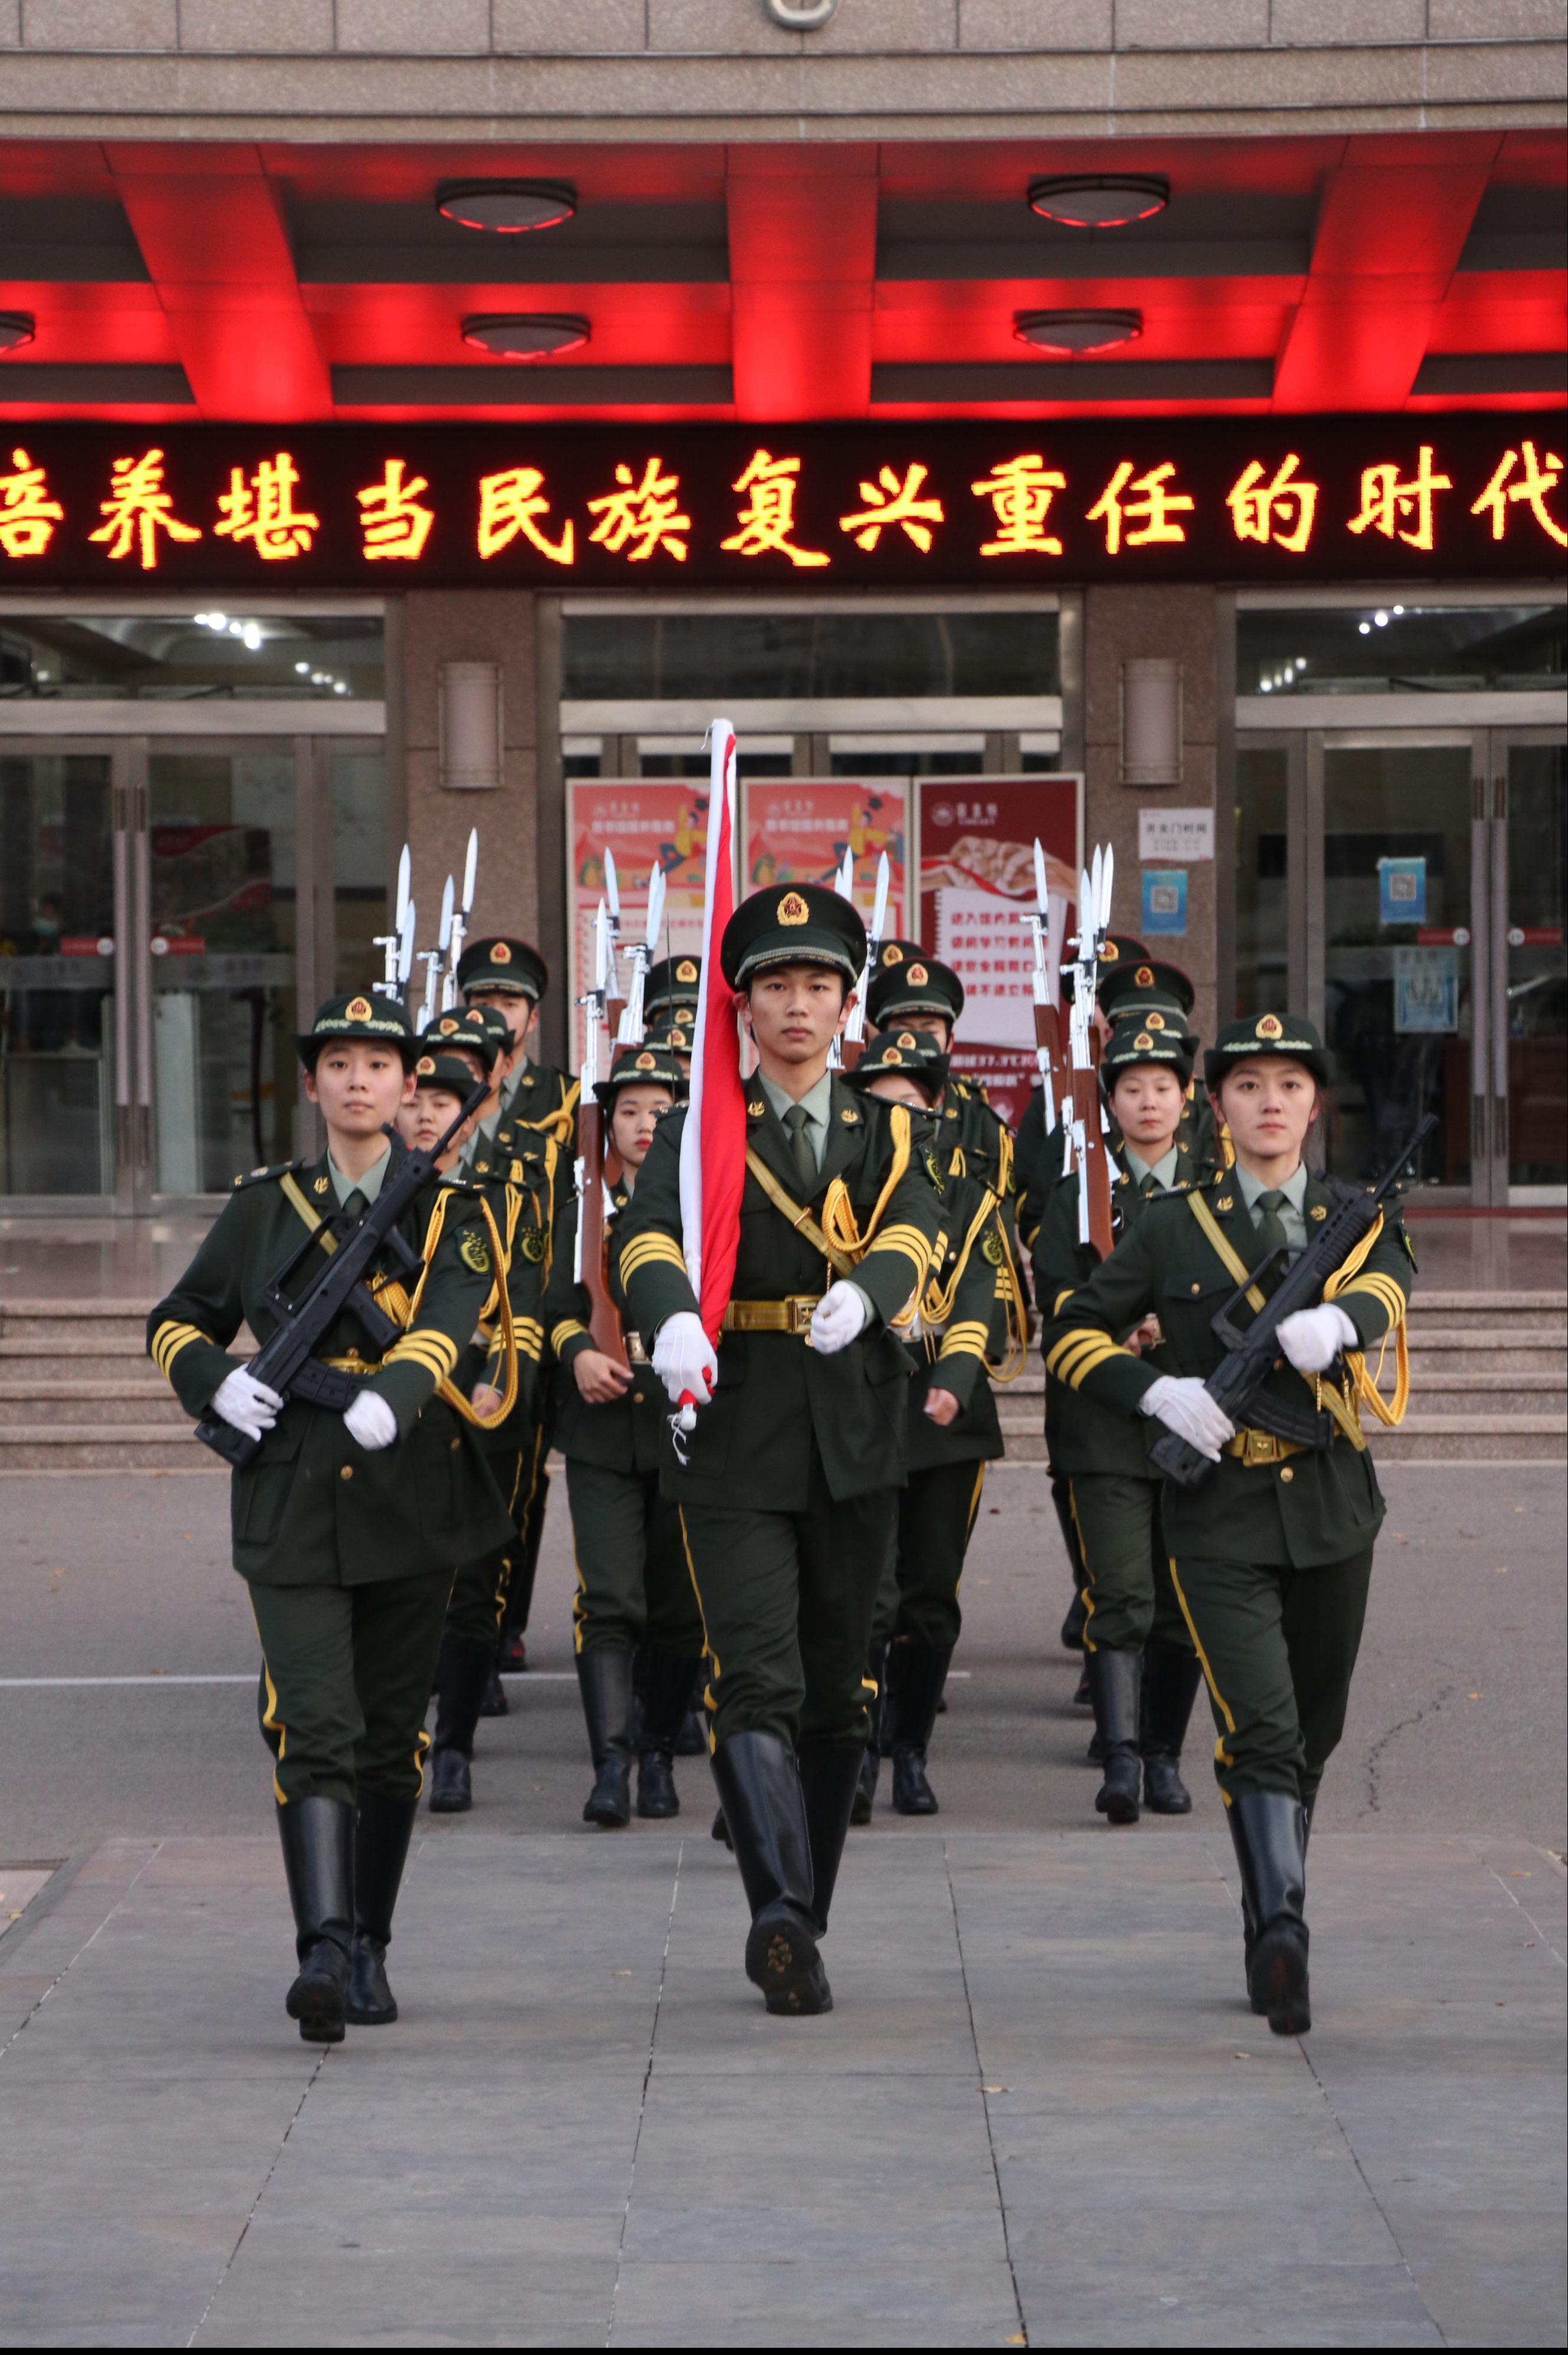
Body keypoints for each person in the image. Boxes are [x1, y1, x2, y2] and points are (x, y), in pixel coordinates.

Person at [146, 993, 514, 2045]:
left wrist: (391, 1393)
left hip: (409, 1495)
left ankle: (369, 1944)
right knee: (316, 1724)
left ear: (409, 1086)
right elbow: (177, 1317)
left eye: (379, 1064)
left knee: (390, 1739)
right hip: (292, 1494)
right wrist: (214, 1380)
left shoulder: (450, 1209)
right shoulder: (265, 1206)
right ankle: (321, 1945)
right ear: (309, 1085)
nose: (359, 1080)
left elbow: (449, 1320)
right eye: (339, 1063)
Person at [1042, 1015, 1415, 2035]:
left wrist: (1339, 1320)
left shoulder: (1351, 1217)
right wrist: (1154, 1393)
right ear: (1216, 1108)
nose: (1267, 1103)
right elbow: (1069, 1329)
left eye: (1287, 1085)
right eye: (1246, 1085)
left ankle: (1266, 1904)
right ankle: (1281, 1929)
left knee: (1313, 1732)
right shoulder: (1171, 1226)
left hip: (1331, 1507)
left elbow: (1391, 1280)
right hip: (1215, 1518)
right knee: (1260, 1727)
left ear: (1312, 1104)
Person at [616, 883, 945, 2016]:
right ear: (742, 1007)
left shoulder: (888, 1127)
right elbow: (643, 1232)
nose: (795, 1004)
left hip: (853, 1425)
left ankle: (803, 1913)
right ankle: (775, 1910)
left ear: (846, 1006)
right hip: (734, 1425)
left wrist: (872, 1287)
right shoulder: (700, 1127)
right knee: (754, 1672)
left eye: (816, 984)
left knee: (838, 1686)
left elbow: (920, 1223)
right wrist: (667, 1315)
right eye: (773, 985)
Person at [1032, 1019, 1212, 1825]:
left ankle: (1164, 1755)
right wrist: (1117, 1327)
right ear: (1108, 1101)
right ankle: (1120, 1756)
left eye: (1162, 1087)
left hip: (1193, 1421)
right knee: (1121, 1593)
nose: (1147, 1102)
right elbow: (1056, 1302)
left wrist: (1174, 1326)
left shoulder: (1212, 1191)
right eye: (1131, 1088)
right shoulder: (1080, 1191)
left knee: (1181, 1600)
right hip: (1103, 1424)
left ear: (1186, 1097)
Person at [846, 1029, 1025, 1819]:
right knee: (865, 1590)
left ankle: (909, 1751)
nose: (897, 1118)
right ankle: (854, 1754)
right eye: (879, 1105)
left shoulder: (969, 1194)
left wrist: (953, 1378)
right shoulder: (836, 1191)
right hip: (858, 1407)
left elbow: (981, 1293)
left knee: (928, 1595)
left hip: (942, 1413)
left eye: (911, 1105)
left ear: (937, 1108)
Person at [543, 1041, 705, 1827]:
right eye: (629, 1110)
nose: (644, 1123)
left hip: (686, 1418)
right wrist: (576, 1350)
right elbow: (552, 1303)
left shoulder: (705, 1206)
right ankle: (610, 1765)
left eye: (660, 1110)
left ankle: (660, 1754)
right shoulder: (582, 1208)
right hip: (603, 1425)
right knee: (608, 1595)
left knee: (680, 1603)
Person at [412, 1050, 560, 1811]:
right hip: (390, 1414)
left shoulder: (508, 1195)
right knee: (402, 1588)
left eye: (446, 1104)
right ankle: (397, 1738)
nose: (428, 1116)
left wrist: (501, 1381)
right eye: (417, 1101)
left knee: (472, 1587)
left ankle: (454, 1748)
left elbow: (523, 1302)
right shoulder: (373, 1193)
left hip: (477, 1403)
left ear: (471, 1117)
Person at [866, 942, 1011, 1197]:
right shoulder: (861, 1107)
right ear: (883, 1037)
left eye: (929, 1032)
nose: (916, 1044)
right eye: (904, 1031)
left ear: (950, 1042)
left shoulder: (978, 1118)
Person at [458, 934, 578, 1150]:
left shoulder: (564, 1095)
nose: (496, 1016)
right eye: (484, 1004)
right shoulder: (444, 1088)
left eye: (510, 1005)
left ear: (532, 1020)